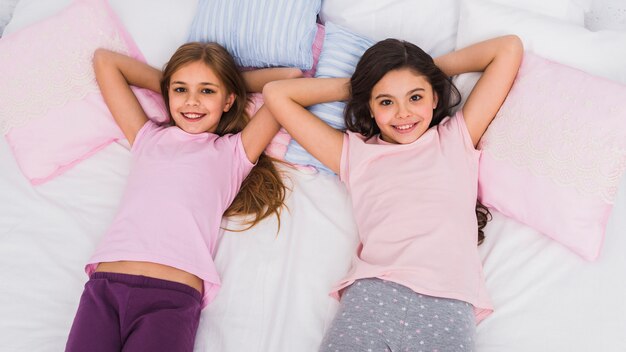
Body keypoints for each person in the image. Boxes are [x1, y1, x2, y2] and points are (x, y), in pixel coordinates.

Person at [263, 35, 523, 351]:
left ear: (435, 99)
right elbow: (276, 94)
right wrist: (365, 84)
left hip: (449, 303)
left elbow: (508, 48)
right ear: (370, 108)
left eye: (415, 97)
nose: (403, 113)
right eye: (386, 101)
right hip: (374, 296)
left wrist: (425, 69)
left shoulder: (456, 138)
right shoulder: (354, 154)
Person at [65, 42, 301, 352]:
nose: (192, 102)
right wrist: (190, 85)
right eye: (180, 90)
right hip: (106, 287)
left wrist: (227, 83)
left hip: (171, 297)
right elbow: (105, 61)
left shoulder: (234, 152)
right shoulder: (147, 136)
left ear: (230, 99)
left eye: (206, 91)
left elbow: (289, 80)